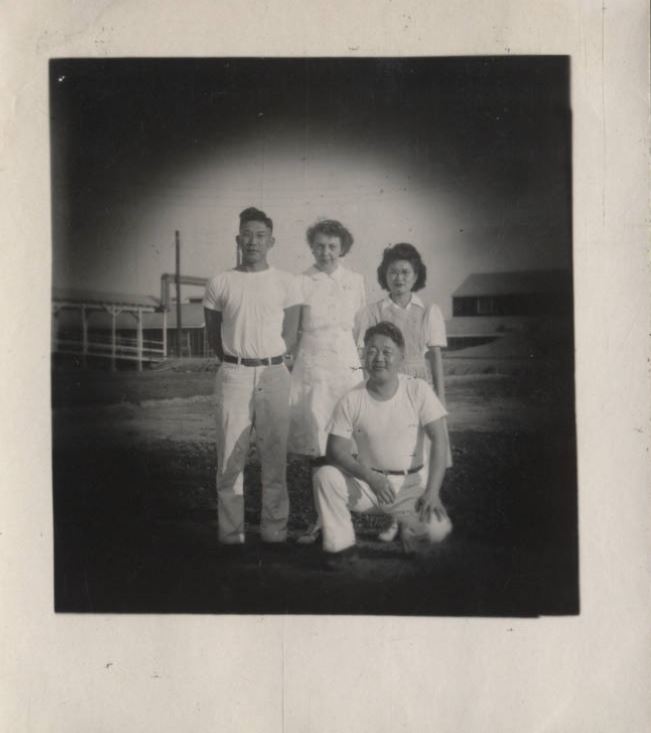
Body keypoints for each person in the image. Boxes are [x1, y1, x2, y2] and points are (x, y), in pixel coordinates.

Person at [313, 321, 450, 569]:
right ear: (363, 354)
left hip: (411, 487)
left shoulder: (418, 390)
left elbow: (440, 439)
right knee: (326, 476)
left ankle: (409, 527)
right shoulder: (351, 398)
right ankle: (340, 547)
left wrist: (432, 492)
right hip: (369, 486)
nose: (378, 358)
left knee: (435, 536)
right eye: (372, 350)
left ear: (401, 357)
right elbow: (335, 451)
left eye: (387, 352)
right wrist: (371, 478)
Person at [203, 207, 301, 545]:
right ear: (237, 238)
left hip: (275, 373)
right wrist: (239, 359)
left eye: (260, 235)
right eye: (247, 234)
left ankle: (275, 532)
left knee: (274, 459)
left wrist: (268, 359)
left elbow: (291, 334)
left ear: (271, 241)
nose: (253, 241)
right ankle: (231, 535)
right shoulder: (220, 282)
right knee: (230, 459)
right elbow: (214, 337)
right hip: (234, 372)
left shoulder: (287, 282)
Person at [355, 242, 452, 542]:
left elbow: (434, 355)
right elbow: (365, 354)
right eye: (392, 272)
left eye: (405, 272)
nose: (399, 278)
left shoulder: (428, 310)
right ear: (384, 276)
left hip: (419, 383)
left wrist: (440, 396)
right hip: (386, 382)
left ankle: (412, 514)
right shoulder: (374, 311)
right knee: (388, 447)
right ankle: (392, 520)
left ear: (416, 275)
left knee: (417, 451)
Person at [287, 219, 366, 544]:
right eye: (319, 245)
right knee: (318, 447)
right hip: (313, 367)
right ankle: (321, 520)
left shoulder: (356, 280)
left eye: (332, 246)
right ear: (312, 247)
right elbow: (292, 330)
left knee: (345, 444)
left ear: (342, 247)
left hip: (345, 366)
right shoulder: (301, 280)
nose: (326, 252)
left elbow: (359, 328)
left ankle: (342, 514)